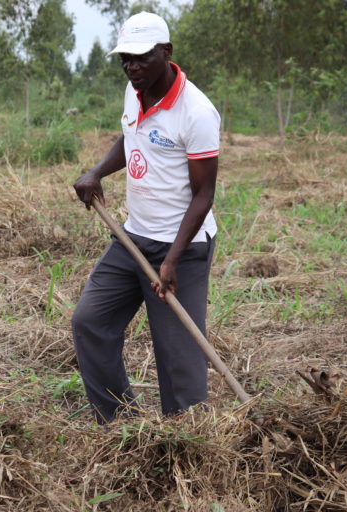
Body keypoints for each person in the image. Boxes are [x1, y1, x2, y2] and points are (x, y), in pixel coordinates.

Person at [72, 11, 221, 424]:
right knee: (90, 323)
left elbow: (203, 194)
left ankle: (185, 443)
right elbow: (131, 135)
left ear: (166, 53)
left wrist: (171, 260)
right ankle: (120, 424)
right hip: (133, 237)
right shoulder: (134, 90)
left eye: (141, 58)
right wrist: (97, 171)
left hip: (182, 248)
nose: (132, 67)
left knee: (180, 360)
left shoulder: (197, 112)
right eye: (125, 59)